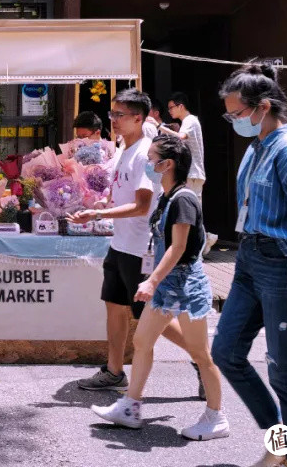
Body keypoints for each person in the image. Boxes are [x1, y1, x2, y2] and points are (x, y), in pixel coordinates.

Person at [212, 63, 287, 467]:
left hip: (284, 265)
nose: (234, 121)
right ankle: (281, 439)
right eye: (230, 115)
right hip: (249, 258)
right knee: (226, 351)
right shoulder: (256, 147)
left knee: (286, 372)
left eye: (238, 113)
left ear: (263, 107)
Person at [91, 134, 229, 440]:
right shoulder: (167, 197)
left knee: (201, 354)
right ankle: (131, 407)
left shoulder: (183, 199)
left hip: (186, 288)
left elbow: (178, 247)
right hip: (166, 285)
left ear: (167, 164)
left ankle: (216, 417)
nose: (148, 164)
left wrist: (151, 280)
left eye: (152, 160)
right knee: (142, 342)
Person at [69, 90, 202, 398]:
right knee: (114, 308)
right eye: (112, 114)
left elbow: (143, 206)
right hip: (119, 244)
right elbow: (121, 195)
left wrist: (98, 212)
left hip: (140, 248)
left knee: (151, 318)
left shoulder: (145, 153)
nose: (113, 120)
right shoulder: (122, 150)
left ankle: (201, 357)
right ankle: (114, 372)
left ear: (139, 119)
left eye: (120, 115)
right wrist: (103, 201)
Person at [163, 92, 217, 254]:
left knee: (192, 213)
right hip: (191, 174)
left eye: (171, 107)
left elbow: (181, 137)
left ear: (181, 106)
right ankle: (205, 240)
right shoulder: (188, 121)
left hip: (193, 174)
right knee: (191, 212)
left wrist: (161, 128)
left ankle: (200, 249)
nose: (170, 111)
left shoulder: (190, 120)